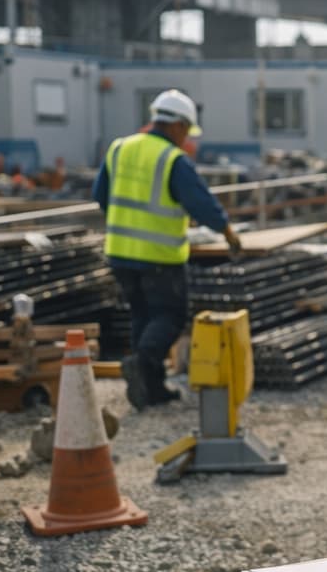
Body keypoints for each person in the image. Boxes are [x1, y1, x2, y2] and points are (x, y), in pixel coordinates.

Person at [93, 89, 241, 410]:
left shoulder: (119, 148)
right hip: (158, 257)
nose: (186, 139)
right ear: (177, 125)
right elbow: (200, 203)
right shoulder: (171, 159)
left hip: (120, 252)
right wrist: (227, 232)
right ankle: (142, 363)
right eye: (186, 131)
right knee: (170, 316)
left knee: (142, 317)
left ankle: (152, 388)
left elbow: (101, 196)